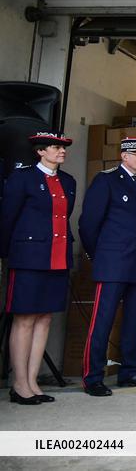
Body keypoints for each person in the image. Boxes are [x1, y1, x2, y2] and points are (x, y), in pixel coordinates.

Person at [78, 136, 136, 396]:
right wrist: (99, 255)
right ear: (124, 155)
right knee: (102, 322)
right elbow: (88, 224)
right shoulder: (107, 180)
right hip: (113, 262)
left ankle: (129, 372)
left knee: (134, 320)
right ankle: (93, 377)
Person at [0, 131, 76, 405]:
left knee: (44, 317)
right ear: (40, 151)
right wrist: (8, 254)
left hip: (57, 257)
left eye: (63, 147)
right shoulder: (22, 178)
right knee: (24, 318)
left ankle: (33, 381)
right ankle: (19, 383)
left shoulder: (68, 181)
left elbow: (64, 219)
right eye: (56, 147)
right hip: (28, 257)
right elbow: (8, 217)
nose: (62, 151)